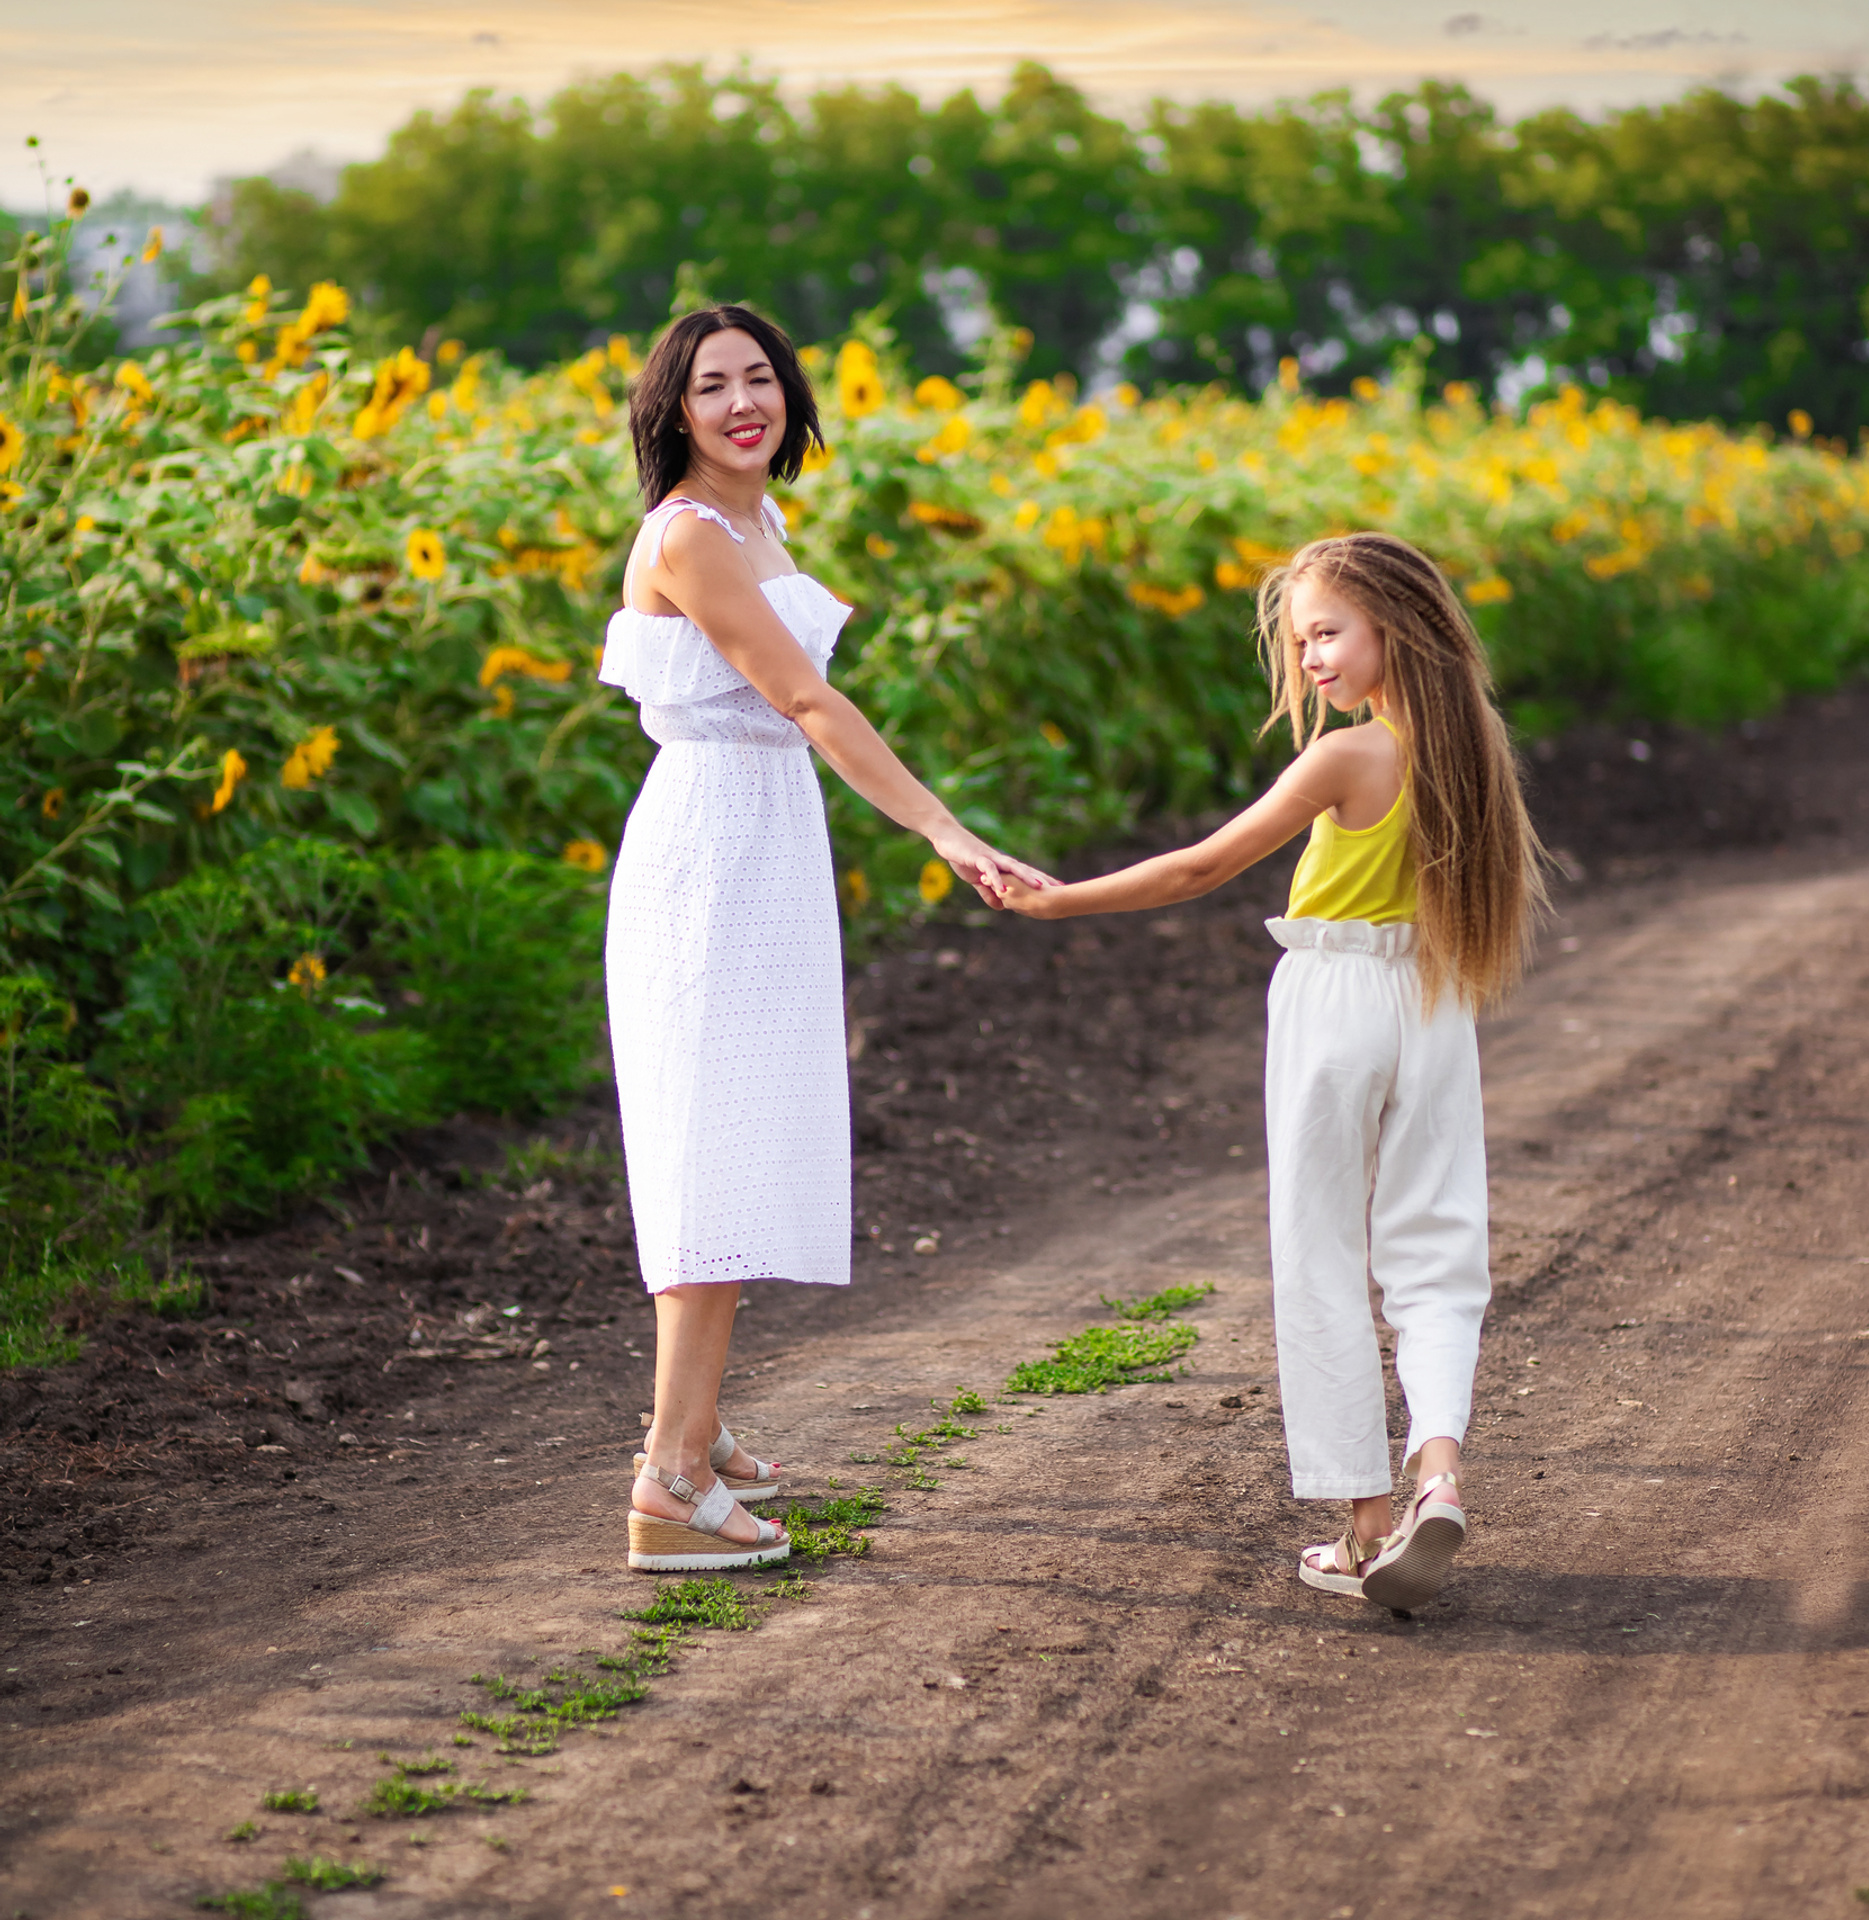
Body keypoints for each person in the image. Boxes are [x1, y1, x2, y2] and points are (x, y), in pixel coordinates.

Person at [1002, 531, 1544, 1611]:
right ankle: (1437, 1469)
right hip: (1434, 1001)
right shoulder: (1473, 741)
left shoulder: (1348, 757)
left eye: (1327, 633)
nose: (1310, 661)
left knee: (1322, 1254)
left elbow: (1202, 865)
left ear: (1397, 625)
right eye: (1302, 642)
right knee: (1439, 1253)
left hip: (1336, 999)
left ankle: (1364, 1526)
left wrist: (1059, 898)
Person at [601, 305, 1055, 1572]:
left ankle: (687, 1422)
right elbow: (803, 698)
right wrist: (945, 830)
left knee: (740, 1135)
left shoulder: (755, 519)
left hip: (762, 844)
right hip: (711, 856)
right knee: (711, 1152)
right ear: (673, 412)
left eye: (760, 379)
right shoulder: (690, 538)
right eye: (711, 388)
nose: (743, 402)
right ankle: (670, 1483)